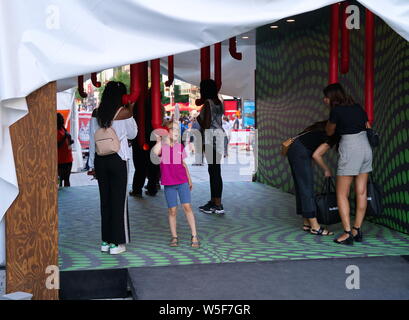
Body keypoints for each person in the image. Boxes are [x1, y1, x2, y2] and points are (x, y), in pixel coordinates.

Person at [88, 81, 138, 255]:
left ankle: (105, 241)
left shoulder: (96, 114)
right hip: (119, 159)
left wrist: (92, 164)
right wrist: (130, 110)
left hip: (101, 161)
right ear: (122, 96)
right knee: (119, 202)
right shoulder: (123, 113)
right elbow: (133, 134)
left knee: (106, 201)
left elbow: (92, 140)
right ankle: (117, 243)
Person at [325, 83, 373, 245]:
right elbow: (368, 125)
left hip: (350, 147)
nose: (324, 100)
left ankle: (347, 233)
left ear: (331, 97)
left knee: (342, 193)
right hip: (365, 146)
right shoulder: (358, 107)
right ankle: (357, 229)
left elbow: (330, 132)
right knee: (361, 192)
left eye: (325, 97)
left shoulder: (336, 111)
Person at [152, 120, 200, 248]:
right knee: (172, 210)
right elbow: (154, 153)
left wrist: (189, 179)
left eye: (178, 130)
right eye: (174, 130)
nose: (177, 133)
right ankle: (174, 236)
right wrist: (158, 141)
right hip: (169, 183)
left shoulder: (180, 146)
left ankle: (194, 235)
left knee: (187, 207)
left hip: (182, 181)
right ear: (167, 132)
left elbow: (183, 164)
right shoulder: (162, 146)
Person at [287, 120, 339, 236]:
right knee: (307, 189)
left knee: (302, 187)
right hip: (300, 153)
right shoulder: (333, 135)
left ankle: (306, 222)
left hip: (294, 150)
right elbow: (317, 155)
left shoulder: (319, 128)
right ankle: (315, 226)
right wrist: (326, 169)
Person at [197, 79, 225, 214]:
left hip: (211, 139)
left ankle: (217, 204)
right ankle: (214, 201)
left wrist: (199, 119)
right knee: (215, 171)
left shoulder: (208, 103)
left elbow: (207, 125)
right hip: (220, 137)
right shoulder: (219, 102)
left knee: (213, 172)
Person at [130, 91, 160, 198]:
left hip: (139, 137)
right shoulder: (157, 106)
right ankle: (152, 188)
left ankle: (137, 189)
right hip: (153, 137)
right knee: (153, 164)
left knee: (140, 165)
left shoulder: (136, 105)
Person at [57, 113, 74, 187]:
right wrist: (64, 137)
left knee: (67, 179)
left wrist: (70, 141)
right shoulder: (55, 131)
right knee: (59, 180)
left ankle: (68, 197)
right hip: (60, 160)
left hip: (68, 158)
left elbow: (67, 140)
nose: (63, 120)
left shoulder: (63, 128)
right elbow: (57, 145)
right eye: (61, 119)